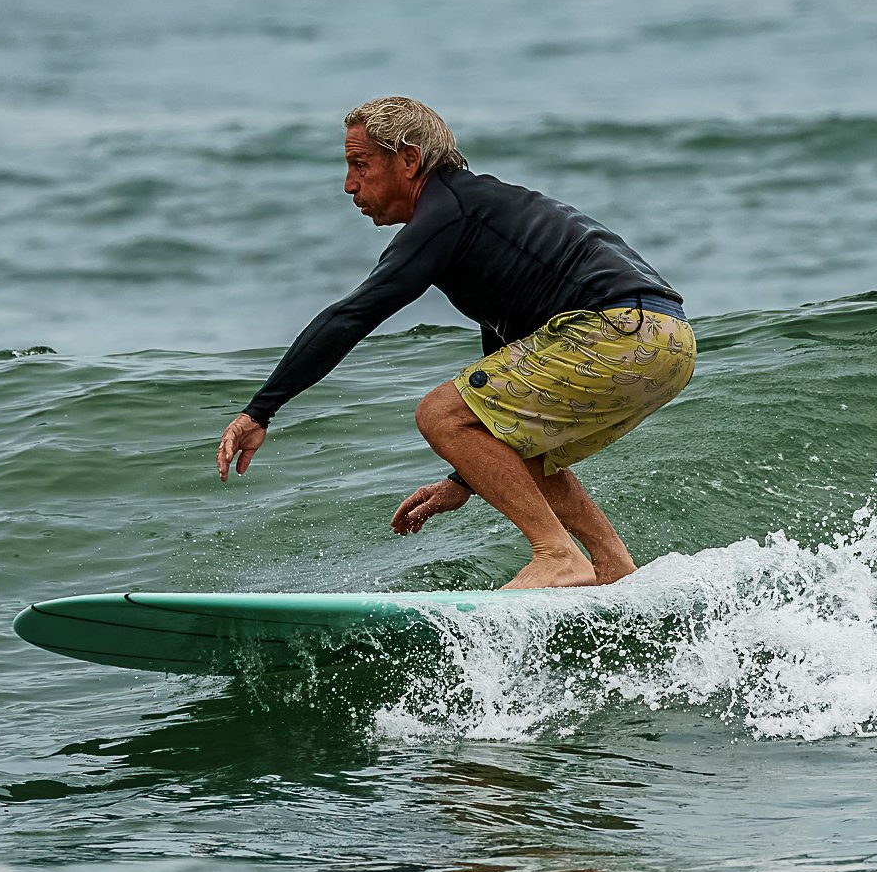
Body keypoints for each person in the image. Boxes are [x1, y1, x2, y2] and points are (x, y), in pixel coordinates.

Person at [214, 97, 695, 589]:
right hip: (667, 341)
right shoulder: (479, 213)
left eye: (360, 165)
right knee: (513, 439)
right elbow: (505, 361)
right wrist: (465, 477)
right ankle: (612, 565)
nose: (349, 184)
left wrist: (261, 410)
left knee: (439, 413)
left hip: (616, 329)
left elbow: (352, 316)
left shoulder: (446, 215)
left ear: (408, 159)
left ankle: (557, 555)